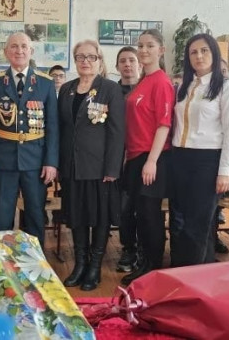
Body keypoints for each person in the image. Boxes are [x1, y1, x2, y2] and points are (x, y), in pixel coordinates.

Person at [58, 40, 124, 291]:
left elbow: (117, 132)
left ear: (99, 60)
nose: (85, 61)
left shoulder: (110, 89)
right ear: (75, 60)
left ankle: (94, 267)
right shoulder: (67, 89)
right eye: (80, 57)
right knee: (76, 216)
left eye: (91, 57)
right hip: (72, 166)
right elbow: (61, 129)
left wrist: (112, 168)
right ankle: (80, 264)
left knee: (99, 217)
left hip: (99, 168)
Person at [169, 34, 229, 267]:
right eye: (193, 52)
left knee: (197, 224)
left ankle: (190, 276)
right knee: (180, 220)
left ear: (214, 54)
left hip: (207, 160)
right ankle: (189, 271)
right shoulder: (185, 86)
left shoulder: (226, 88)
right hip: (180, 157)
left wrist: (225, 171)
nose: (199, 56)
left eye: (204, 50)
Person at [0, 32, 58, 248]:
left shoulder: (45, 83)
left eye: (24, 46)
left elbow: (53, 127)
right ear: (6, 52)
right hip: (3, 159)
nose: (19, 51)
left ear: (31, 51)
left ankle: (35, 260)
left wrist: (51, 162)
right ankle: (1, 261)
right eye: (14, 46)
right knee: (1, 215)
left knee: (35, 214)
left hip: (36, 160)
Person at [120, 29, 174, 285]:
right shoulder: (143, 80)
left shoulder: (162, 82)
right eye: (140, 45)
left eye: (149, 46)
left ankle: (152, 267)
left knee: (150, 215)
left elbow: (164, 124)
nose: (143, 50)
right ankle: (144, 262)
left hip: (152, 157)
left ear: (161, 50)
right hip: (135, 156)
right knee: (140, 214)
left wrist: (152, 161)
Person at [114, 46, 141, 272]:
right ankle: (128, 247)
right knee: (124, 207)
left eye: (131, 60)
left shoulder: (147, 88)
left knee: (145, 208)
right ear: (117, 66)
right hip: (118, 158)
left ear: (139, 64)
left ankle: (145, 249)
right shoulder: (111, 91)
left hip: (143, 157)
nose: (127, 64)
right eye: (123, 61)